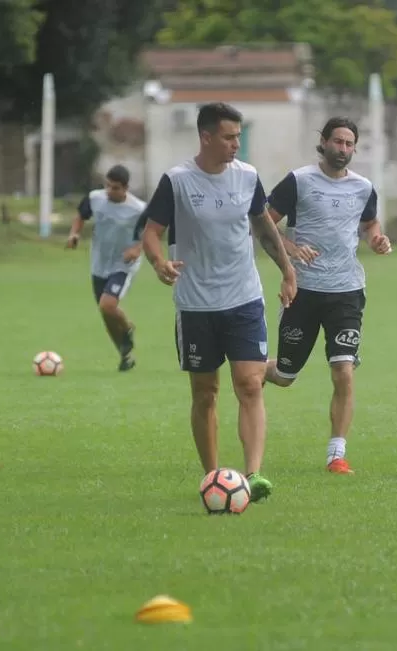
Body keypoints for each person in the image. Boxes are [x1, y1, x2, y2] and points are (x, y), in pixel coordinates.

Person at [138, 102, 296, 501]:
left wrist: (287, 270)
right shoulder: (177, 181)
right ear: (205, 137)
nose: (235, 145)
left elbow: (263, 226)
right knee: (205, 392)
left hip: (244, 297)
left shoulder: (248, 178)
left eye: (239, 137)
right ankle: (213, 477)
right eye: (228, 137)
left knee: (249, 383)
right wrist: (158, 262)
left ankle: (254, 474)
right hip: (195, 304)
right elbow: (151, 232)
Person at [263, 116, 392, 475]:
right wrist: (290, 247)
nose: (343, 149)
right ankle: (255, 372)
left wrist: (376, 238)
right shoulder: (298, 181)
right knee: (286, 376)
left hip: (347, 293)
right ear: (323, 142)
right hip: (303, 293)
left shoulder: (364, 187)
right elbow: (263, 223)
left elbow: (368, 224)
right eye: (338, 142)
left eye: (350, 144)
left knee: (343, 371)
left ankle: (336, 455)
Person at [66, 165, 147, 371]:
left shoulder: (138, 209)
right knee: (106, 314)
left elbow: (151, 232)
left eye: (116, 188)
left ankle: (128, 327)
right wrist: (74, 234)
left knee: (107, 306)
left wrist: (137, 249)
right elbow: (80, 216)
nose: (110, 191)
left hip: (123, 265)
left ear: (126, 188)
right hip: (99, 264)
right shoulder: (95, 198)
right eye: (108, 186)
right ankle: (124, 355)